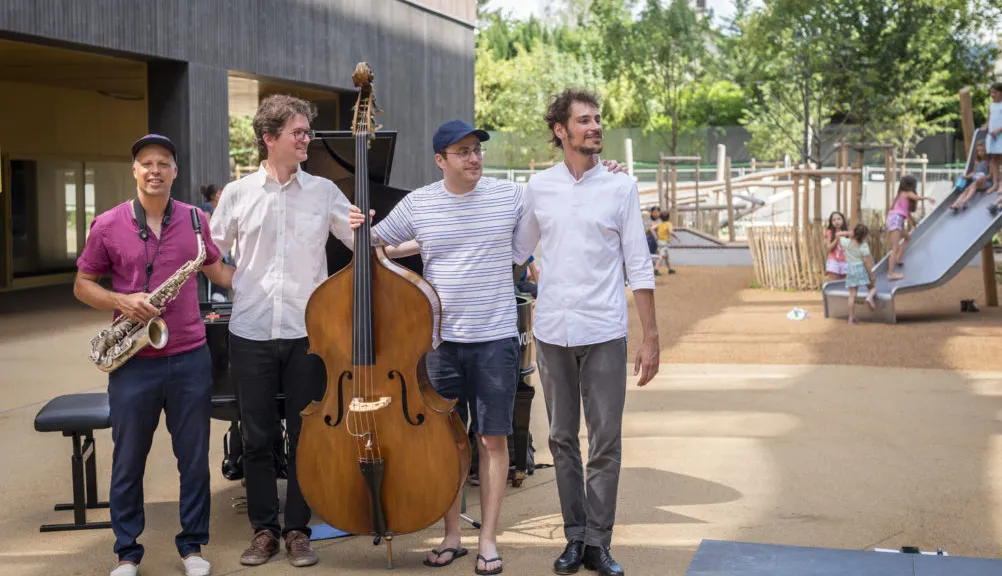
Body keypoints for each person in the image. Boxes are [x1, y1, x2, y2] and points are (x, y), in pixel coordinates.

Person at [349, 119, 626, 576]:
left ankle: (489, 541)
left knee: (491, 441)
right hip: (439, 344)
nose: (474, 157)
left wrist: (603, 168)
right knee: (445, 444)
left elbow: (562, 193)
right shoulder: (419, 203)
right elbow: (369, 244)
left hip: (496, 338)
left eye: (477, 149)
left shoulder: (510, 195)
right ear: (441, 160)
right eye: (462, 151)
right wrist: (358, 226)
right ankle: (452, 536)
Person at [511, 88, 659, 576]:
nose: (595, 126)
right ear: (561, 130)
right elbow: (515, 249)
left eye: (598, 119)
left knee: (606, 440)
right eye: (585, 120)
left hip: (604, 332)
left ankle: (599, 542)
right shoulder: (539, 188)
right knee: (560, 438)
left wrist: (651, 338)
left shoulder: (621, 187)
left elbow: (638, 265)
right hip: (552, 330)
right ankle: (574, 539)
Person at [74, 134, 234, 576]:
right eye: (147, 163)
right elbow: (82, 285)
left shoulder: (197, 220)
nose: (155, 170)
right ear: (135, 171)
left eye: (163, 163)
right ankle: (127, 552)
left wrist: (267, 278)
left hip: (189, 356)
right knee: (128, 460)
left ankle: (193, 547)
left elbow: (218, 271)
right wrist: (122, 302)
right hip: (133, 361)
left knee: (193, 458)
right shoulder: (107, 224)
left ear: (174, 172)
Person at [209, 95, 354, 568]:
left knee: (307, 435)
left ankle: (297, 530)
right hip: (250, 330)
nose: (306, 139)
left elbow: (363, 241)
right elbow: (210, 252)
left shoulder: (325, 192)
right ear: (269, 139)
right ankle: (264, 530)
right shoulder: (236, 194)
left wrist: (397, 231)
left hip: (308, 333)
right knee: (256, 436)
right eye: (297, 132)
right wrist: (237, 284)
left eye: (306, 131)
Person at [884, 175, 934, 281]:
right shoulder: (906, 193)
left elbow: (906, 211)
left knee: (907, 238)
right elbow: (916, 197)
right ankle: (891, 273)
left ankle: (897, 258)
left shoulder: (900, 195)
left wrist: (913, 221)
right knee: (894, 247)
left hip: (895, 219)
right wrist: (927, 198)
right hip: (896, 219)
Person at [839, 223, 876, 324]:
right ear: (864, 236)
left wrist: (848, 233)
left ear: (854, 232)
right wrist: (871, 275)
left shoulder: (847, 243)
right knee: (873, 288)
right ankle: (869, 297)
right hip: (861, 269)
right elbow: (866, 262)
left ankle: (851, 318)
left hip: (850, 269)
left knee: (852, 294)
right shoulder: (863, 246)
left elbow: (838, 234)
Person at [982, 82, 1002, 195]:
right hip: (992, 136)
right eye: (991, 92)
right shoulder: (991, 105)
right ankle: (995, 184)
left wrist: (998, 131)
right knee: (993, 159)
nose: (992, 94)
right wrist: (986, 126)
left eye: (995, 92)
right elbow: (989, 119)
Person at [951, 141, 990, 213]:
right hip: (976, 181)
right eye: (978, 151)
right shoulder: (977, 161)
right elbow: (973, 173)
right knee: (966, 189)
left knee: (974, 184)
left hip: (985, 183)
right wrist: (965, 176)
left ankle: (964, 201)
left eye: (982, 151)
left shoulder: (988, 162)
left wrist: (984, 178)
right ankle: (956, 203)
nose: (980, 153)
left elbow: (991, 176)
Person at [653, 210, 679, 276]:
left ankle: (669, 269)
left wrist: (655, 236)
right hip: (665, 243)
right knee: (661, 256)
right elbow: (670, 232)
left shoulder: (659, 224)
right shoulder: (668, 224)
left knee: (666, 256)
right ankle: (656, 269)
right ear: (668, 217)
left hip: (659, 242)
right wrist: (676, 236)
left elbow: (652, 228)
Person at [824, 211, 848, 281]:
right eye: (834, 220)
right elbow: (829, 248)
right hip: (833, 261)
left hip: (845, 261)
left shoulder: (847, 232)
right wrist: (837, 239)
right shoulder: (830, 233)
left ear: (843, 220)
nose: (836, 221)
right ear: (831, 222)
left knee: (844, 285)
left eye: (839, 219)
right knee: (834, 284)